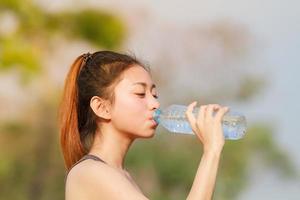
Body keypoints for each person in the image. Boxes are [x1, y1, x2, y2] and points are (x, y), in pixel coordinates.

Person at [58, 50, 229, 200]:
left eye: (155, 95)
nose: (155, 104)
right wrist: (211, 151)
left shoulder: (120, 175)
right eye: (140, 94)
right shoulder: (90, 172)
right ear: (102, 108)